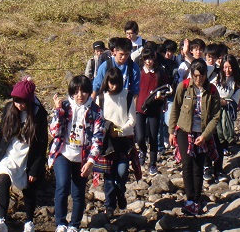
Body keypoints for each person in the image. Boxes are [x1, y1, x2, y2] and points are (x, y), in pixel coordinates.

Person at [0, 77, 48, 232]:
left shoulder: (39, 114)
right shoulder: (9, 109)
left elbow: (42, 145)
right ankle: (1, 219)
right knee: (2, 180)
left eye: (23, 102)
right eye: (17, 101)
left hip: (28, 155)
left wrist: (35, 168)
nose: (20, 105)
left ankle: (29, 221)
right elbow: (0, 133)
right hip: (9, 152)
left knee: (29, 188)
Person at [48, 75, 104, 232]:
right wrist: (58, 111)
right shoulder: (65, 106)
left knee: (78, 192)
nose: (80, 95)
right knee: (62, 185)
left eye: (84, 91)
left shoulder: (96, 111)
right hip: (63, 152)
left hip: (83, 157)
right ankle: (60, 223)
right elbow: (54, 132)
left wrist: (91, 161)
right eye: (76, 91)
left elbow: (98, 139)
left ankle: (74, 225)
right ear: (71, 92)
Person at [168, 59, 221, 216]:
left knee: (198, 166)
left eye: (202, 75)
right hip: (184, 130)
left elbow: (216, 116)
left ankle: (196, 200)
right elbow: (175, 109)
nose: (199, 79)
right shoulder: (183, 87)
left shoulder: (212, 90)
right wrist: (171, 131)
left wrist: (205, 135)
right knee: (187, 164)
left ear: (206, 74)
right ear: (192, 74)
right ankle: (189, 199)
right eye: (196, 75)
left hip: (202, 132)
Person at [97, 67, 136, 217]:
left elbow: (132, 120)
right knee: (108, 175)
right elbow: (97, 120)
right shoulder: (101, 98)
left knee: (122, 171)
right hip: (106, 142)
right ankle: (109, 205)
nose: (113, 86)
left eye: (116, 83)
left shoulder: (127, 96)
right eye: (110, 83)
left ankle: (120, 192)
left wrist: (119, 131)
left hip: (123, 141)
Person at [135, 47, 169, 175]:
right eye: (146, 59)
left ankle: (153, 164)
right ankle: (142, 151)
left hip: (154, 108)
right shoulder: (138, 72)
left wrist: (163, 99)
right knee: (140, 137)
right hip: (140, 108)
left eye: (150, 58)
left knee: (154, 137)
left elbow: (167, 88)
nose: (148, 61)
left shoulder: (160, 72)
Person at [210, 54, 240, 182]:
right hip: (211, 113)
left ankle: (218, 170)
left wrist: (222, 101)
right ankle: (207, 168)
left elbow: (234, 101)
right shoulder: (215, 77)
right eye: (225, 67)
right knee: (209, 140)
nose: (227, 70)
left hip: (224, 116)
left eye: (230, 68)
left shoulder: (237, 82)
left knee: (220, 142)